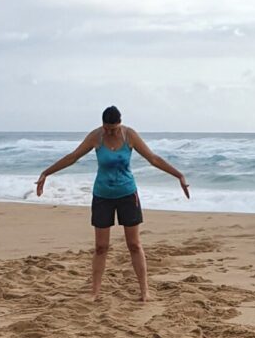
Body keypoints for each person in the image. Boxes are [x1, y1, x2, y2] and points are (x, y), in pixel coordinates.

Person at [35, 106, 190, 303]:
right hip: (102, 196)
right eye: (107, 129)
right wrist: (46, 173)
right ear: (103, 125)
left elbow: (153, 159)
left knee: (134, 245)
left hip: (127, 195)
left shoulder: (130, 135)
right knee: (101, 247)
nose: (110, 132)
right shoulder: (96, 136)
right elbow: (72, 157)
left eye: (114, 129)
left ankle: (144, 291)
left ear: (120, 124)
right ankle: (94, 292)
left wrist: (179, 175)